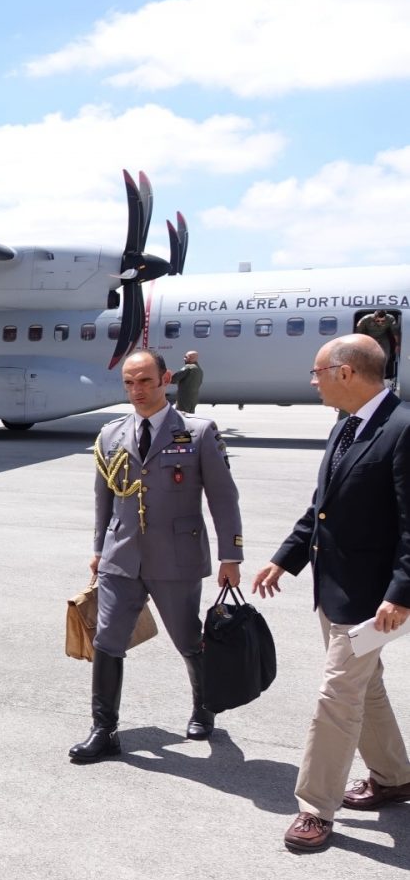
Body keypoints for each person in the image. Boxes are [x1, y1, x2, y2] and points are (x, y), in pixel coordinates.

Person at [251, 334, 410, 852]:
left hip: (374, 598)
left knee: (337, 696)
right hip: (334, 589)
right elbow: (323, 506)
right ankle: (394, 777)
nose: (313, 381)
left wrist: (402, 592)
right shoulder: (346, 425)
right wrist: (285, 558)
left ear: (346, 373)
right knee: (365, 687)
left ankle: (316, 807)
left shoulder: (402, 428)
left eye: (318, 372)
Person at [71, 349, 244, 763]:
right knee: (107, 640)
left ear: (166, 379)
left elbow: (223, 496)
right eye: (129, 383)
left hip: (177, 557)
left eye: (145, 381)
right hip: (121, 556)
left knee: (187, 637)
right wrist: (99, 549)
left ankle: (204, 708)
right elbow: (104, 498)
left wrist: (230, 556)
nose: (137, 390)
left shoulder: (198, 432)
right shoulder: (111, 434)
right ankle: (104, 729)